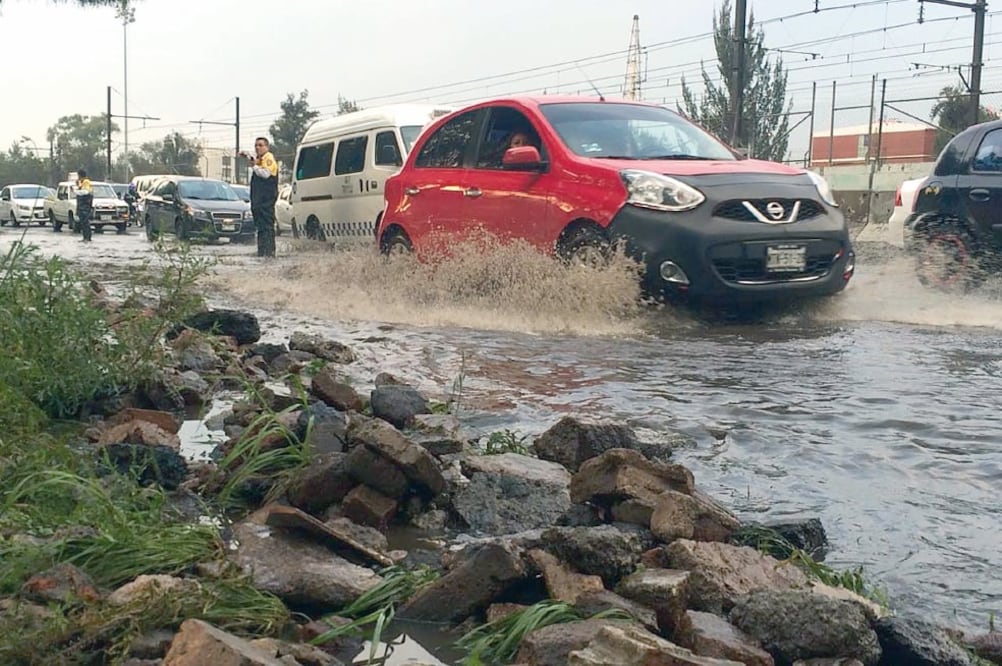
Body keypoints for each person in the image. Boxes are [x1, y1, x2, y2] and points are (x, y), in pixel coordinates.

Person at [242, 137, 279, 257]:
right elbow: (254, 160)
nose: (257, 148)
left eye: (260, 145)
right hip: (258, 202)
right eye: (256, 145)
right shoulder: (260, 160)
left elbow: (265, 174)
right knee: (261, 228)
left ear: (267, 147)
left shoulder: (269, 159)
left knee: (267, 227)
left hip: (266, 201)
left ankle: (269, 252)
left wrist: (254, 166)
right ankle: (262, 252)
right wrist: (246, 155)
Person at [75, 169, 94, 242]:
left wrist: (75, 191)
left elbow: (85, 192)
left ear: (80, 175)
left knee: (85, 222)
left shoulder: (86, 182)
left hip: (85, 206)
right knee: (83, 223)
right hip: (82, 206)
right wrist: (78, 185)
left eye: (78, 175)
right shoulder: (83, 182)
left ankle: (87, 238)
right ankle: (85, 237)